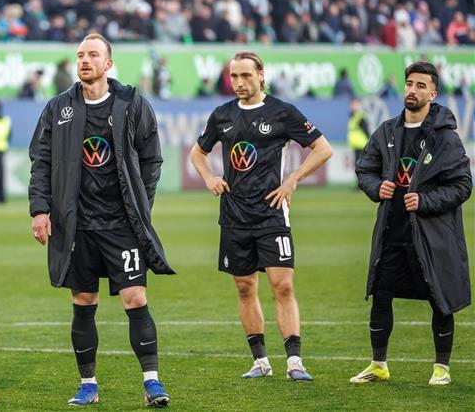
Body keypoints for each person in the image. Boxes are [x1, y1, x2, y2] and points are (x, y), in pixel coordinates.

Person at [29, 33, 173, 407]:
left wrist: (142, 204)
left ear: (108, 64)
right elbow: (41, 162)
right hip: (75, 224)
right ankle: (88, 384)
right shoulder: (58, 107)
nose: (85, 60)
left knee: (135, 297)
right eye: (80, 55)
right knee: (83, 300)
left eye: (93, 55)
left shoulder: (131, 103)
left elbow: (151, 159)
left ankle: (152, 382)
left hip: (121, 223)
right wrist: (40, 209)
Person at [189, 52, 333, 381]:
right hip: (235, 214)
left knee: (282, 285)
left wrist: (293, 179)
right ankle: (261, 361)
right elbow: (198, 152)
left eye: (245, 76)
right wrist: (210, 177)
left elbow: (323, 148)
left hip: (271, 213)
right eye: (234, 76)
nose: (239, 83)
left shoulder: (282, 112)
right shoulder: (222, 115)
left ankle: (295, 362)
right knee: (244, 287)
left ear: (261, 75)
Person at [351, 62, 471, 386]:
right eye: (409, 83)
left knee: (439, 297)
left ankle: (441, 368)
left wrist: (425, 201)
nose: (412, 90)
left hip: (432, 234)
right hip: (393, 231)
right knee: (381, 294)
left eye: (420, 85)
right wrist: (377, 188)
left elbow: (462, 185)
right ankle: (378, 364)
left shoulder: (446, 139)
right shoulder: (387, 131)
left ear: (433, 93)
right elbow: (365, 168)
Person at [347, 97, 370, 165]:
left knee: (360, 163)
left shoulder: (360, 117)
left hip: (361, 144)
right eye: (352, 104)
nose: (353, 106)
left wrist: (369, 142)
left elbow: (366, 130)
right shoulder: (352, 116)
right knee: (357, 162)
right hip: (356, 144)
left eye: (355, 104)